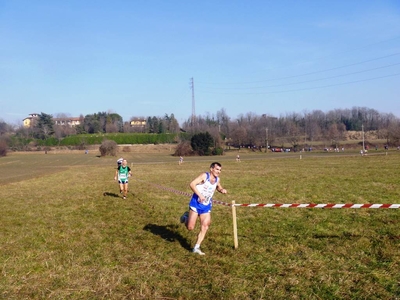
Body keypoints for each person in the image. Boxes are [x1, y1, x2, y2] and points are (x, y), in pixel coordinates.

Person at [180, 162, 227, 255]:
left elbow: (218, 186)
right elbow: (192, 184)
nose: (219, 172)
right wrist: (200, 195)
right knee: (190, 227)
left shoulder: (217, 179)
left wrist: (222, 190)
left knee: (205, 226)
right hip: (196, 204)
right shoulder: (204, 176)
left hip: (206, 206)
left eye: (220, 170)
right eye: (217, 169)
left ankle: (196, 247)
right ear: (211, 169)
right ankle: (186, 217)